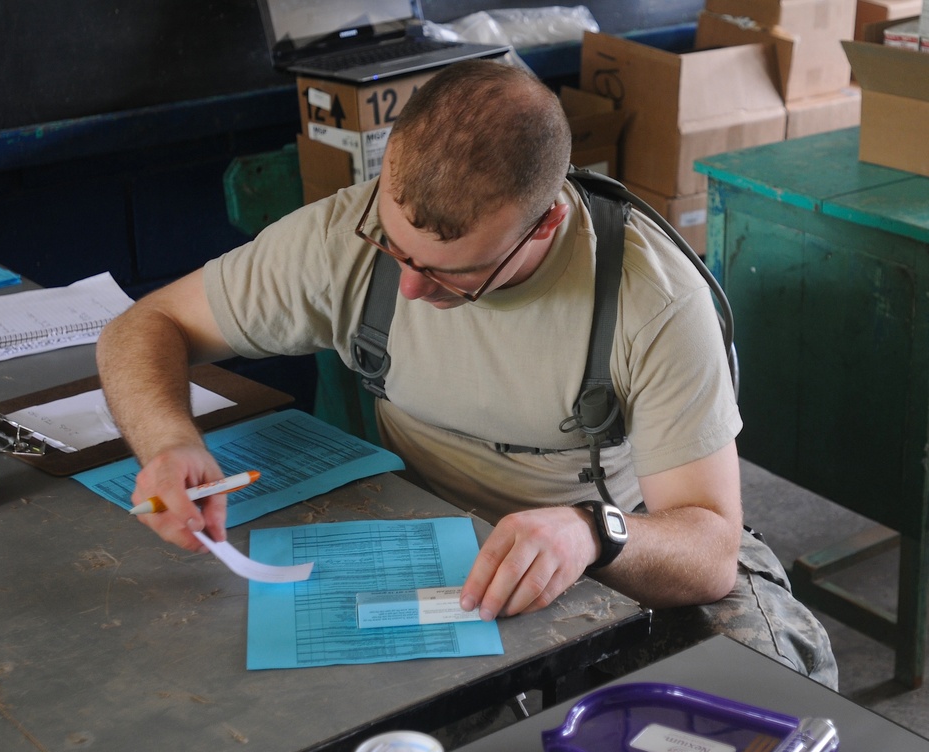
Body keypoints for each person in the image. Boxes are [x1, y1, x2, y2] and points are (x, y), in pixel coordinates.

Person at [96, 59, 837, 688]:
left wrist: (593, 533)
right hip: (435, 553)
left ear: (545, 224)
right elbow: (142, 327)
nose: (413, 289)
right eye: (396, 249)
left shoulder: (652, 299)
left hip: (617, 550)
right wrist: (169, 442)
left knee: (764, 686)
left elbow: (709, 547)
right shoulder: (343, 238)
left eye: (456, 274)